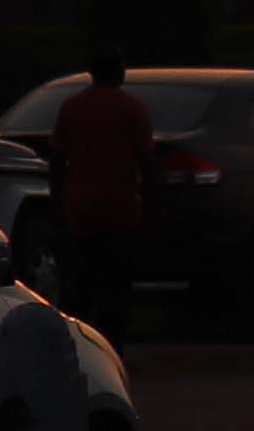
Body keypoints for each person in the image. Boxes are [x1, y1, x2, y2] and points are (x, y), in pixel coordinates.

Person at [45, 33, 159, 344]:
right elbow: (147, 162)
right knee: (117, 294)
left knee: (78, 293)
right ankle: (111, 352)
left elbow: (57, 161)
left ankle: (79, 351)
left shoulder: (71, 108)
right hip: (121, 214)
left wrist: (58, 207)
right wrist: (151, 208)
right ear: (120, 71)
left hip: (79, 213)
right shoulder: (133, 109)